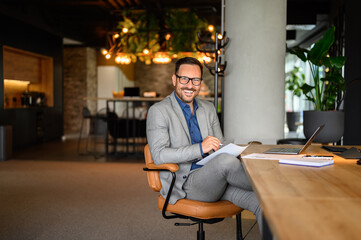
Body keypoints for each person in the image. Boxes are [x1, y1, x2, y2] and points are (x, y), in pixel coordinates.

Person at [146, 57, 262, 231]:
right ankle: (268, 184)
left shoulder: (208, 109)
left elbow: (220, 147)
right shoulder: (159, 111)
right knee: (226, 162)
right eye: (184, 79)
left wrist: (234, 150)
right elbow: (159, 155)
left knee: (263, 203)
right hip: (186, 184)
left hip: (216, 180)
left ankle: (269, 193)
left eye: (196, 80)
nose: (190, 85)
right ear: (174, 79)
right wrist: (200, 148)